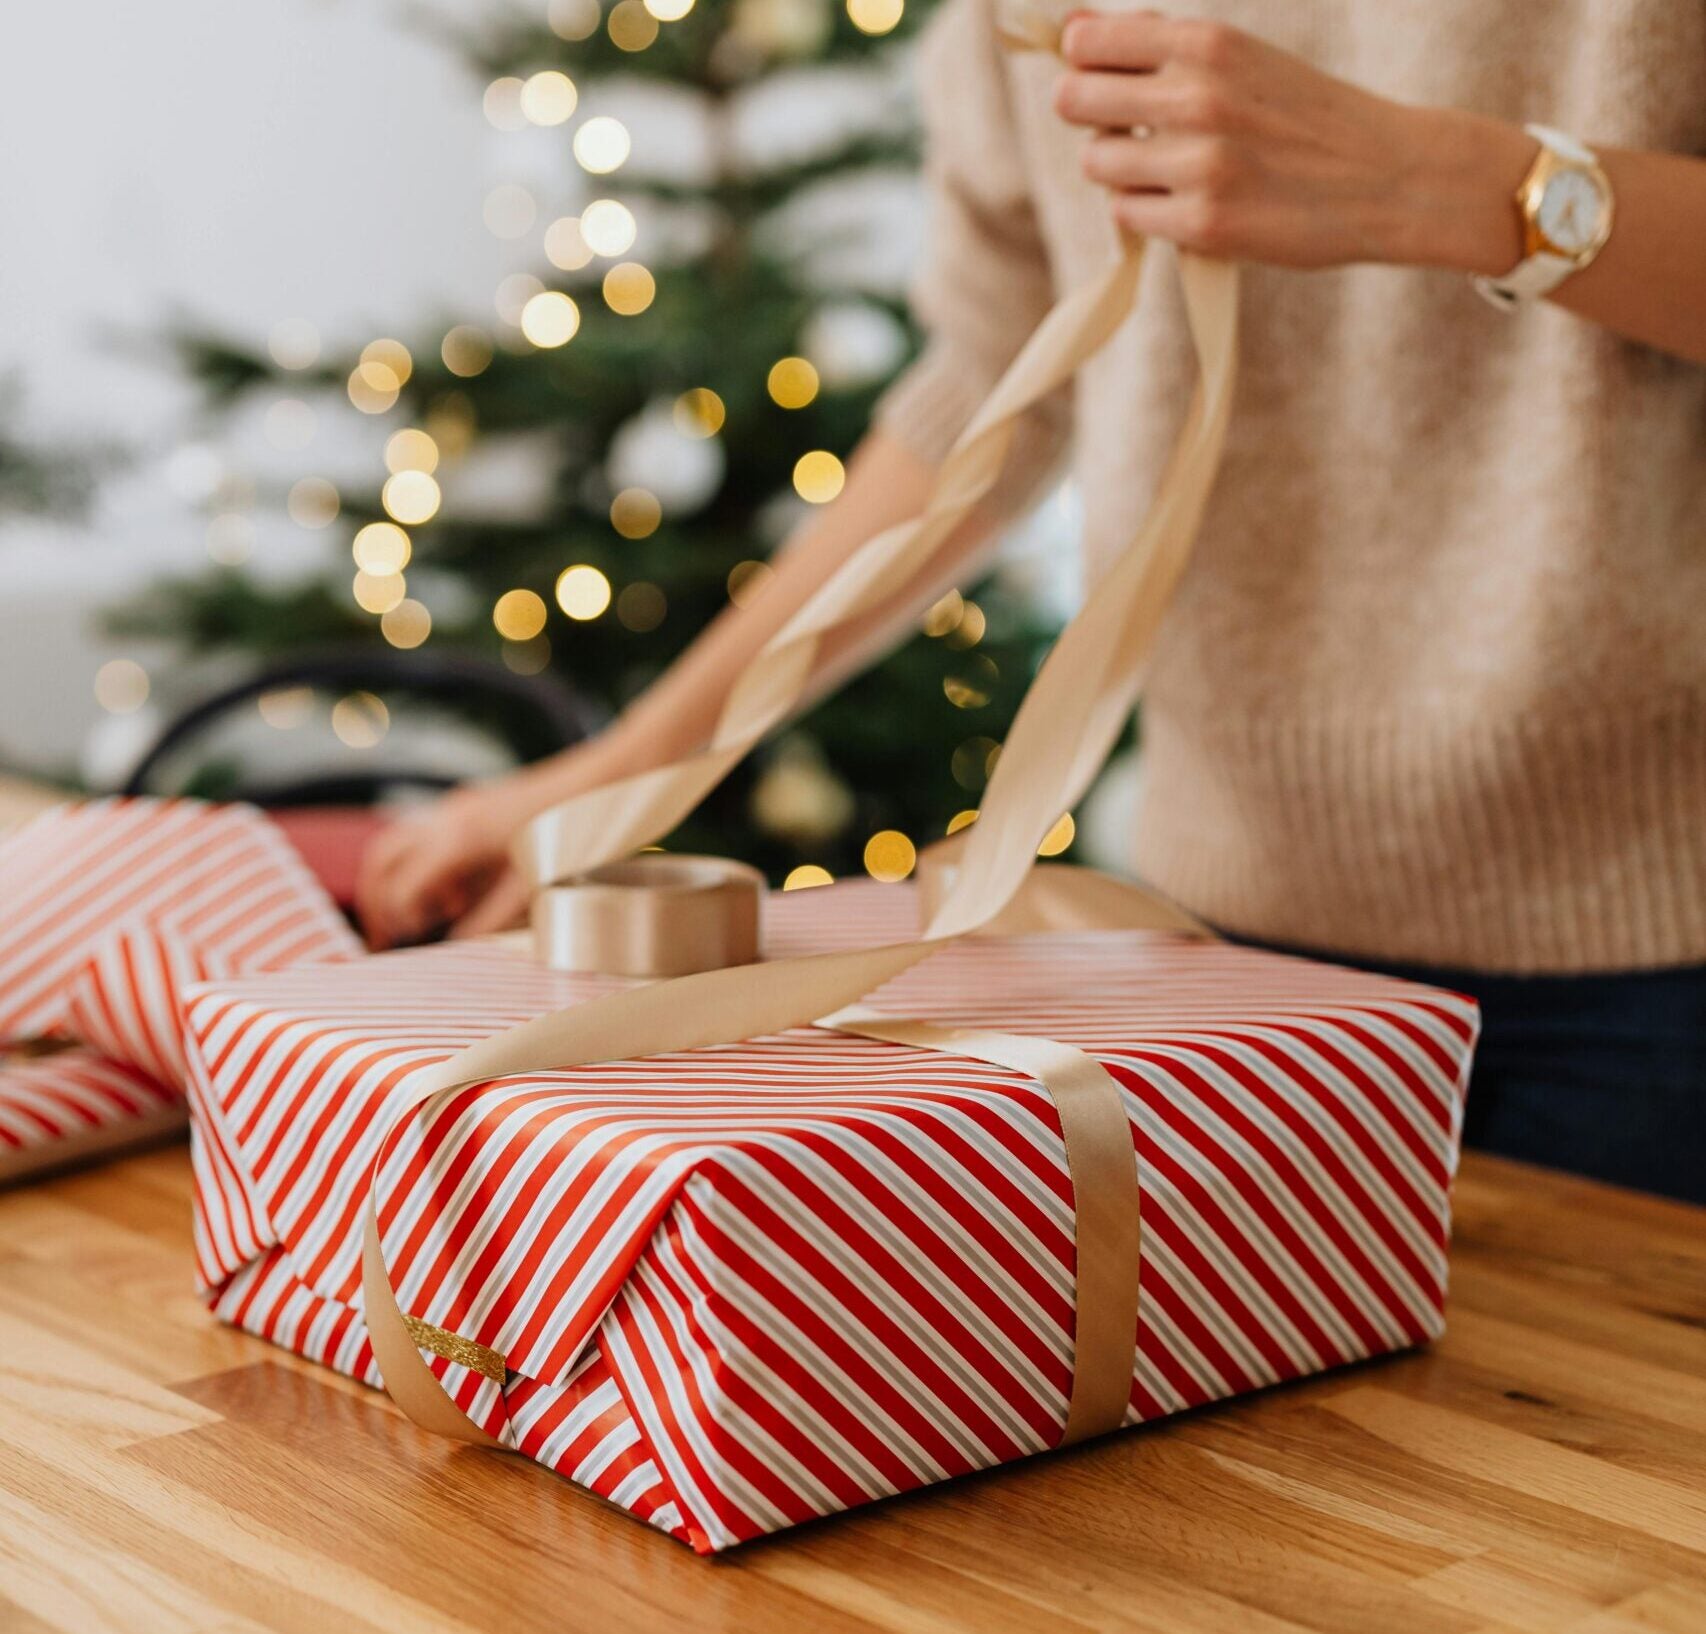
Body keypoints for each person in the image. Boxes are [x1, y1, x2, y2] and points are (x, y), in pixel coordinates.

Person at [357, 2, 1706, 1202]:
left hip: (1657, 976)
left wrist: (1464, 188)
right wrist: (613, 778)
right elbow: (995, 393)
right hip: (1217, 959)